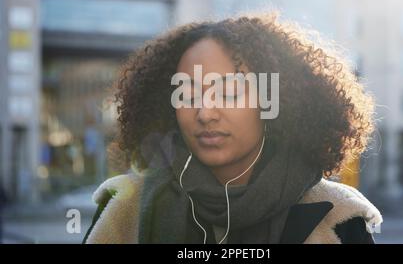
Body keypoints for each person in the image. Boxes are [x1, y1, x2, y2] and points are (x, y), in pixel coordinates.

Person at [83, 13, 382, 244]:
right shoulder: (123, 209)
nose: (205, 112)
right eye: (188, 93)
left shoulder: (340, 215)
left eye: (229, 93)